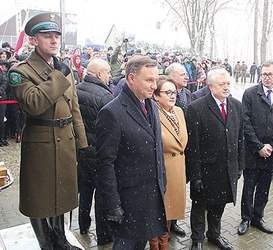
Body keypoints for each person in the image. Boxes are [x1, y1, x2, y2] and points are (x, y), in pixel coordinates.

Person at [8, 12, 87, 249]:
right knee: (40, 197)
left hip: (65, 139)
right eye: (47, 36)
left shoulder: (62, 69)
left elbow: (74, 108)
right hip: (40, 142)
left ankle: (60, 239)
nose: (54, 41)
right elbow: (34, 104)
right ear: (33, 40)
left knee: (62, 194)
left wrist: (81, 143)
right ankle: (46, 243)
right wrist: (57, 76)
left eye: (56, 36)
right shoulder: (20, 71)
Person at [94, 55, 167, 249]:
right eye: (149, 80)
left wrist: (162, 181)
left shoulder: (150, 103)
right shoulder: (112, 112)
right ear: (131, 78)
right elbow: (104, 162)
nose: (154, 86)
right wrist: (112, 203)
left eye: (156, 80)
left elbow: (156, 146)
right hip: (127, 201)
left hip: (150, 195)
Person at [185, 68, 244, 250]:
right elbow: (192, 146)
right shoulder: (196, 108)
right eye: (222, 84)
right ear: (210, 86)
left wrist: (240, 165)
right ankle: (197, 239)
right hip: (206, 169)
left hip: (227, 168)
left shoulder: (236, 105)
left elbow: (240, 138)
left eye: (228, 83)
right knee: (199, 206)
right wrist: (195, 175)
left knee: (219, 205)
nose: (226, 87)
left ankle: (214, 235)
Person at [237, 60, 273, 236]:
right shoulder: (250, 94)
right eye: (264, 74)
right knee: (248, 187)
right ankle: (245, 218)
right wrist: (258, 146)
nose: (267, 78)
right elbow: (245, 122)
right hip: (252, 151)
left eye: (270, 74)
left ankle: (258, 217)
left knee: (264, 188)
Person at [76, 59, 114, 246]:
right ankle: (104, 235)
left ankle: (83, 225)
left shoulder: (76, 89)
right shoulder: (105, 96)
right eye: (108, 73)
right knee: (101, 195)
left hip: (82, 151)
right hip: (99, 153)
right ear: (99, 74)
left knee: (85, 190)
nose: (110, 76)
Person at [149, 76, 188, 249]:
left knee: (170, 213)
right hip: (161, 171)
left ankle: (164, 242)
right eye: (168, 92)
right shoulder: (151, 113)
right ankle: (155, 244)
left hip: (177, 170)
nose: (173, 96)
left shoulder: (178, 111)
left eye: (175, 92)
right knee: (158, 213)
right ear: (156, 95)